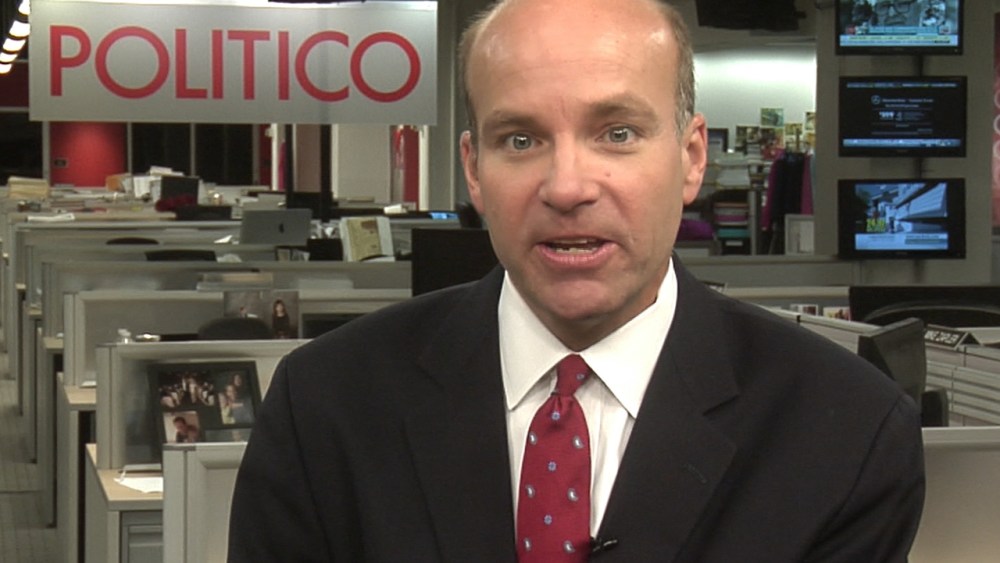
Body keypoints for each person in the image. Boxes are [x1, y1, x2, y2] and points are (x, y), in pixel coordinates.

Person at [228, 0, 924, 561]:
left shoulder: (845, 431)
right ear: (473, 170)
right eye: (521, 140)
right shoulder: (325, 407)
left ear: (690, 158)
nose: (567, 187)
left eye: (617, 133)